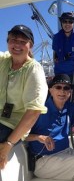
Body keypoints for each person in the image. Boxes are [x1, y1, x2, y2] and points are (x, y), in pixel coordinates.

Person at [0, 25, 48, 169]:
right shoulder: (4, 60)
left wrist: (8, 144)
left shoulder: (34, 69)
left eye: (22, 41)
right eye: (13, 40)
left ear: (30, 46)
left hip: (12, 128)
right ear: (8, 42)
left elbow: (33, 112)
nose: (17, 45)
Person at [52, 12, 74, 103]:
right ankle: (62, 117)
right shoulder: (56, 38)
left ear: (73, 23)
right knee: (61, 97)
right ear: (61, 23)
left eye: (70, 22)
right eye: (65, 21)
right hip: (61, 72)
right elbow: (55, 54)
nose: (67, 24)